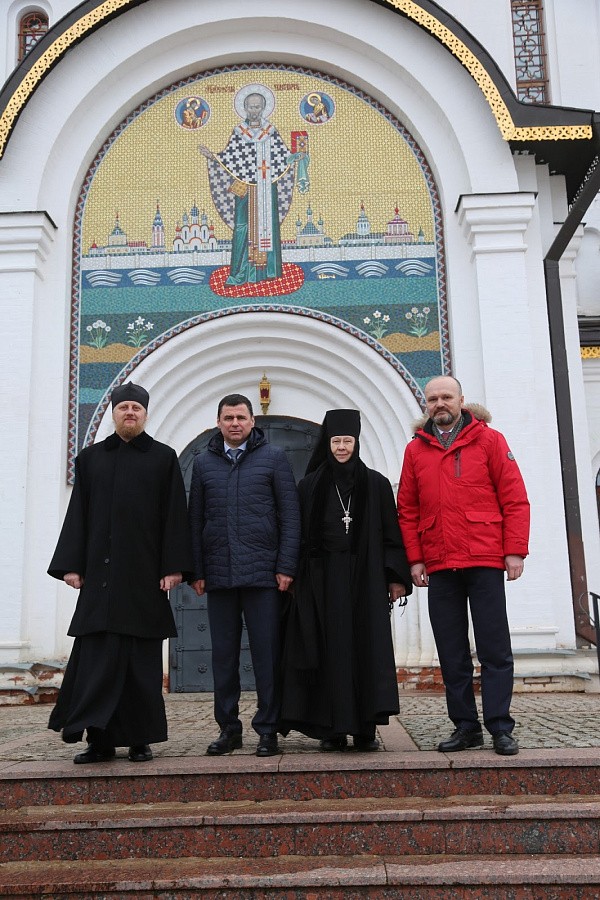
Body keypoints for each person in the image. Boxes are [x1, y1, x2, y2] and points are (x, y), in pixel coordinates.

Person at [48, 382, 192, 764]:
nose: (130, 413)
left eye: (136, 408)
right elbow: (78, 513)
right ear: (113, 413)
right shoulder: (91, 458)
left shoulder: (163, 458)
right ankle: (99, 742)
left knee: (140, 665)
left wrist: (174, 567)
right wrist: (72, 565)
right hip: (101, 578)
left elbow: (175, 515)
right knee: (98, 663)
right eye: (124, 407)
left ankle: (140, 740)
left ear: (145, 414)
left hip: (144, 578)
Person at [397, 376, 530, 756]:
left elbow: (515, 499)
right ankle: (466, 727)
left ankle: (500, 727)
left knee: (494, 649)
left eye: (446, 397)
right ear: (426, 404)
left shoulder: (490, 440)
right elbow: (407, 509)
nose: (439, 403)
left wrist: (514, 550)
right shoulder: (415, 450)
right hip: (440, 563)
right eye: (432, 399)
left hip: (484, 558)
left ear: (461, 400)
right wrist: (415, 559)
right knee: (451, 652)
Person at [279, 409, 412, 751]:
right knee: (328, 651)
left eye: (347, 441)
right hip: (322, 583)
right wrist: (293, 576)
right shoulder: (310, 486)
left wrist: (395, 578)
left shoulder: (376, 484)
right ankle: (332, 730)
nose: (341, 447)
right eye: (336, 441)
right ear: (328, 443)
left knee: (366, 650)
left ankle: (365, 730)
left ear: (356, 443)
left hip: (366, 580)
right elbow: (296, 535)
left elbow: (391, 534)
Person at [188, 393, 300, 757]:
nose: (234, 423)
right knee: (223, 658)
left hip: (263, 576)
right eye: (228, 418)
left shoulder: (274, 458)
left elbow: (290, 515)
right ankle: (228, 729)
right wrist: (197, 570)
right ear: (218, 422)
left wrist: (286, 566)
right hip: (219, 576)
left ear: (253, 421)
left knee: (267, 656)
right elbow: (195, 519)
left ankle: (268, 729)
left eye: (240, 417)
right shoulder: (203, 463)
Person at [199, 85, 299, 286]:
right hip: (244, 187)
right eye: (251, 107)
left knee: (268, 224)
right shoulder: (239, 132)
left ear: (263, 108)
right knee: (242, 227)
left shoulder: (271, 132)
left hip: (266, 186)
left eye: (258, 107)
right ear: (245, 108)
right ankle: (240, 272)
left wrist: (297, 156)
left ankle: (269, 271)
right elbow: (229, 156)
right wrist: (213, 157)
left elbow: (283, 156)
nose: (254, 111)